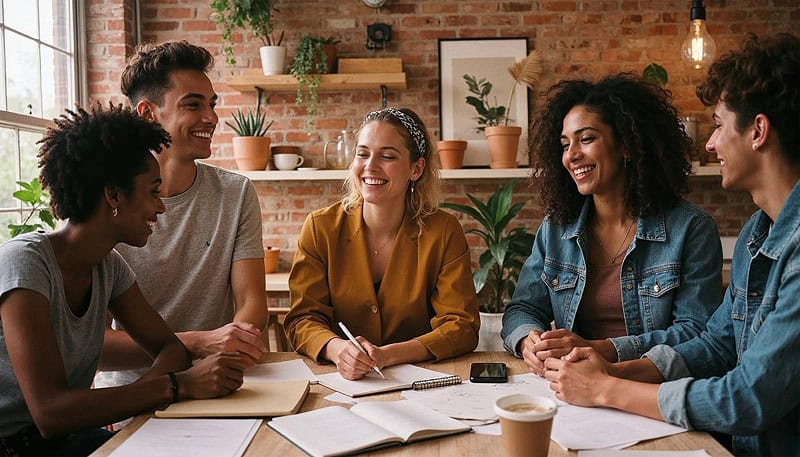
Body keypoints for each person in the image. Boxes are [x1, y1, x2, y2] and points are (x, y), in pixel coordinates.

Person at [543, 33, 800, 457]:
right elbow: (718, 344)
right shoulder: (759, 232)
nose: (710, 142)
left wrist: (609, 389)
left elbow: (748, 398)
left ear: (758, 131)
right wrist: (615, 369)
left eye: (718, 125)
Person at [0, 104, 247, 456]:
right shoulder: (25, 262)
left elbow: (170, 348)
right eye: (152, 191)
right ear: (114, 195)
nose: (160, 208)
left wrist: (145, 398)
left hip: (66, 439)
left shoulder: (108, 266)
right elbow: (50, 412)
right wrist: (174, 387)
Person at [501, 73, 722, 376]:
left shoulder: (691, 229)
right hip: (573, 386)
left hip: (650, 389)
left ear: (627, 145)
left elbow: (696, 332)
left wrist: (602, 349)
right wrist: (530, 340)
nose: (572, 155)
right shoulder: (556, 228)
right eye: (565, 144)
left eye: (587, 139)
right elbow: (523, 308)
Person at [98, 41, 267, 390]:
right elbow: (94, 346)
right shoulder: (104, 202)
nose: (212, 118)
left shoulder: (236, 193)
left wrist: (233, 345)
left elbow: (251, 302)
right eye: (193, 105)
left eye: (212, 104)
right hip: (133, 395)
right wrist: (196, 343)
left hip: (219, 382)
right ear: (148, 114)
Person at [284, 107, 480, 380]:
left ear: (416, 168)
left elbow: (461, 326)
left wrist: (387, 355)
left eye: (387, 156)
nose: (370, 166)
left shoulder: (443, 231)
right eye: (362, 154)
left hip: (422, 382)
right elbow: (302, 319)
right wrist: (338, 349)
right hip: (339, 382)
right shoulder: (320, 228)